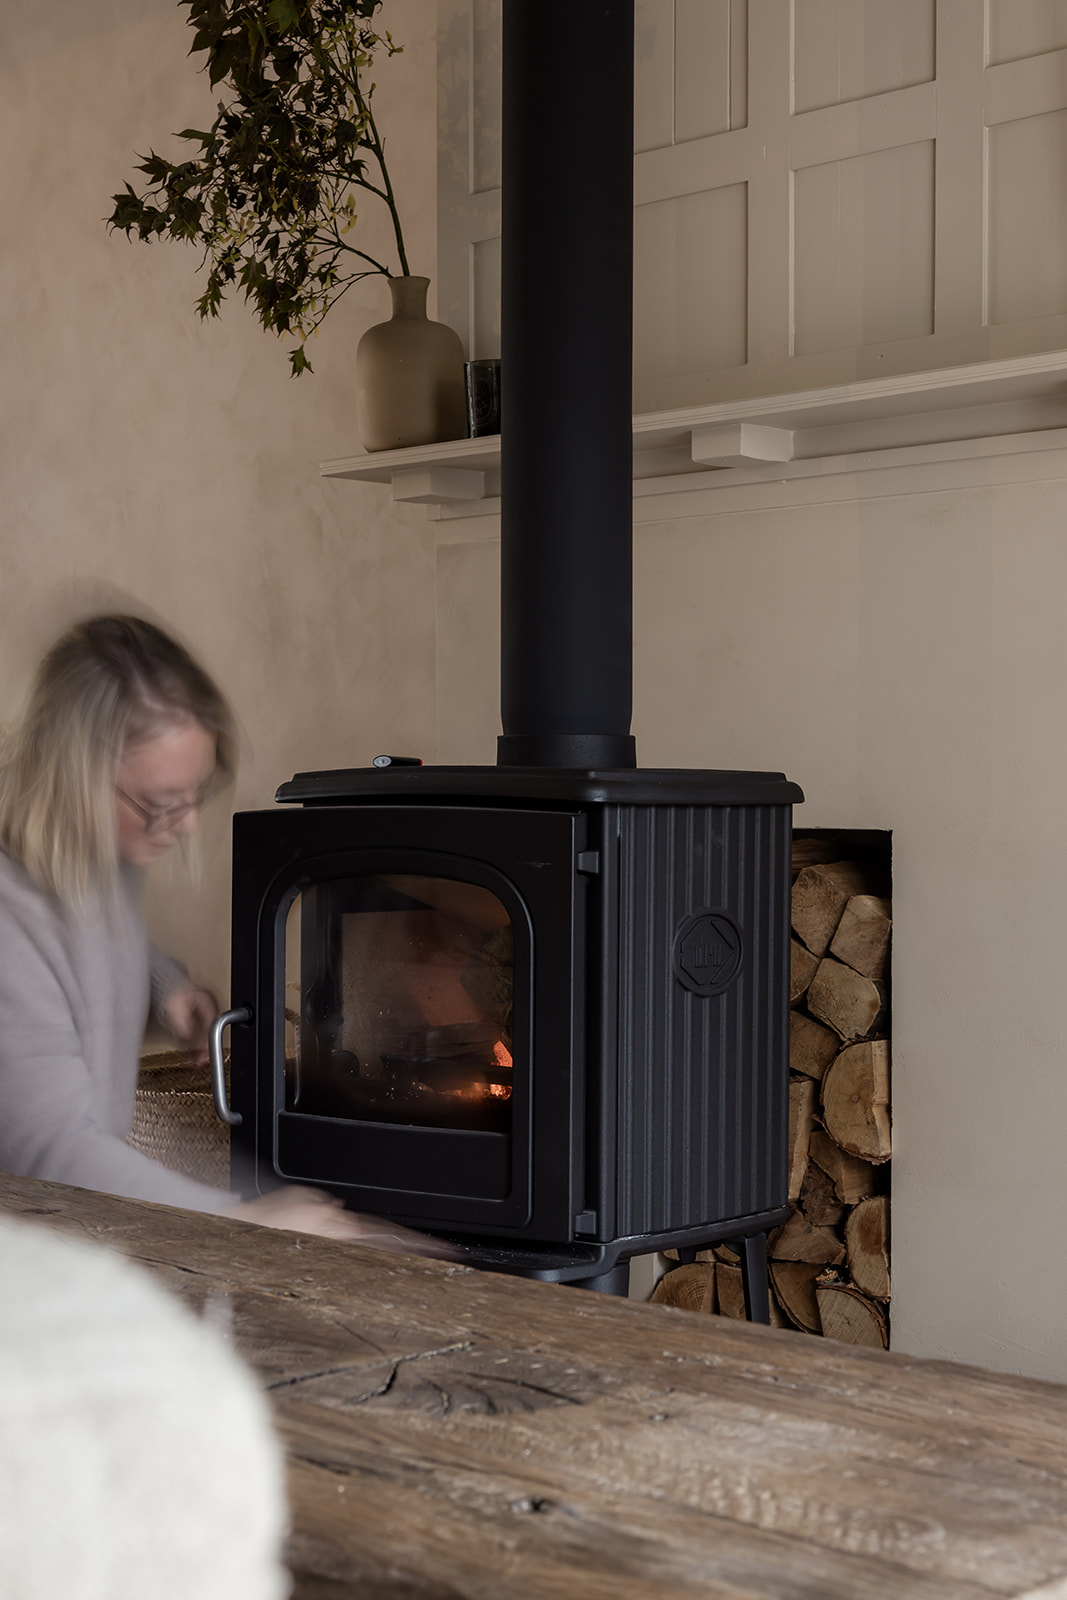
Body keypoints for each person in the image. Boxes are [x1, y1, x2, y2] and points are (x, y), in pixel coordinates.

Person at [0, 614, 440, 1248]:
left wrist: (164, 985)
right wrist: (242, 1218)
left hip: (64, 1236)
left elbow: (83, 951)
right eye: (160, 802)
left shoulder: (99, 852)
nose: (186, 825)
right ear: (73, 776)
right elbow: (51, 1152)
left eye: (195, 795)